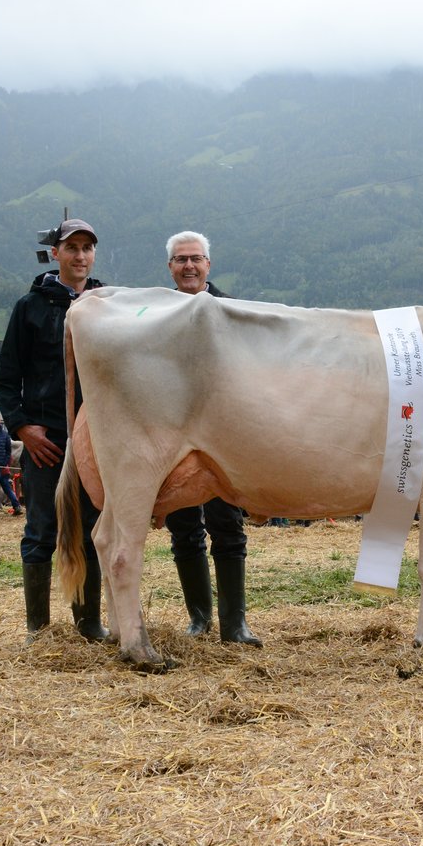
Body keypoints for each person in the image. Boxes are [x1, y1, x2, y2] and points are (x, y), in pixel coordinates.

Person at [0, 217, 107, 640]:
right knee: (42, 530)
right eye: (71, 247)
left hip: (96, 437)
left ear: (94, 255)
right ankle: (37, 630)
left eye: (87, 248)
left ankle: (89, 624)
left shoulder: (108, 303)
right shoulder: (31, 306)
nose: (80, 256)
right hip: (48, 442)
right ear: (55, 253)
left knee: (95, 528)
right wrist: (23, 429)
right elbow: (6, 378)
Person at [161, 230, 261, 645]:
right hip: (175, 437)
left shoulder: (230, 311)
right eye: (181, 259)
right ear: (170, 267)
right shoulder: (158, 315)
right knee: (183, 526)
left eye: (195, 258)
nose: (188, 266)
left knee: (228, 525)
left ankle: (235, 625)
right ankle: (200, 618)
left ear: (208, 264)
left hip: (223, 437)